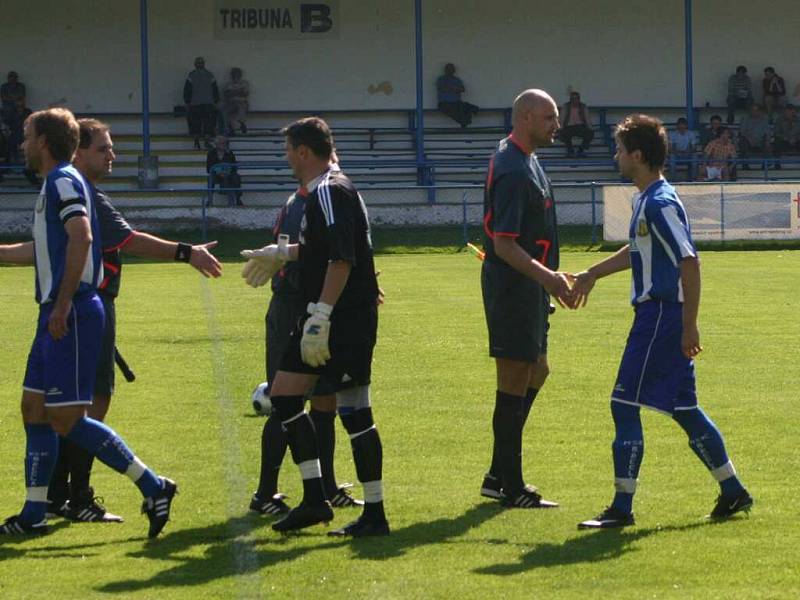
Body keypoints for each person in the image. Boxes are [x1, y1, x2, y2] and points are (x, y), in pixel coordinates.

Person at [570, 114, 753, 529]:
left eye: (619, 149)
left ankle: (621, 508)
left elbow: (690, 261)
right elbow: (637, 251)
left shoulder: (659, 202)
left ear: (637, 155)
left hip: (661, 317)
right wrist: (591, 273)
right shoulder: (646, 200)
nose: (616, 156)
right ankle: (733, 490)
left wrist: (690, 325)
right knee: (685, 408)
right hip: (661, 316)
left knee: (623, 403)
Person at [0, 108, 176, 537]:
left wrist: (62, 305)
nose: (23, 144)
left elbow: (82, 236)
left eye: (27, 136)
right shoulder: (55, 182)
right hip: (57, 310)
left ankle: (154, 486)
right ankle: (34, 514)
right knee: (34, 409)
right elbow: (46, 250)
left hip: (73, 309)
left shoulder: (62, 180)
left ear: (43, 141)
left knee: (66, 419)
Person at [40, 118, 222, 522]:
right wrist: (187, 253)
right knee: (90, 404)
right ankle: (78, 496)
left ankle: (56, 496)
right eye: (103, 148)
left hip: (82, 305)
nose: (112, 156)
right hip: (89, 305)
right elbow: (130, 240)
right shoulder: (85, 195)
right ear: (79, 151)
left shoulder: (75, 191)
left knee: (61, 405)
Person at [239, 117, 388, 536]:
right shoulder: (329, 189)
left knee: (354, 410)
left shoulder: (328, 191)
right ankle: (315, 499)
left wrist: (321, 315)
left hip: (342, 317)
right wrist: (284, 254)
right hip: (331, 312)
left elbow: (342, 258)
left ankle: (372, 513)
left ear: (304, 152)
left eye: (289, 150)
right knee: (285, 397)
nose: (287, 158)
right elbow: (327, 248)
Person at [249, 157, 365, 518]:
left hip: (315, 306)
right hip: (296, 307)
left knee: (325, 400)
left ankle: (326, 488)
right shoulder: (305, 203)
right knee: (287, 400)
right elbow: (317, 256)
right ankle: (265, 492)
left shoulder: (318, 197)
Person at [479, 89, 574, 510]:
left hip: (530, 287)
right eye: (551, 118)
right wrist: (549, 278)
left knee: (538, 370)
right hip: (514, 287)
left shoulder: (526, 159)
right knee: (514, 380)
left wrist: (546, 282)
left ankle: (500, 472)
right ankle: (509, 484)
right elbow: (504, 245)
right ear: (526, 118)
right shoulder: (514, 169)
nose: (558, 125)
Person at [184, 57, 220, 149]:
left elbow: (187, 90)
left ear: (195, 65)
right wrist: (216, 101)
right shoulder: (210, 75)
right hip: (208, 103)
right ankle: (207, 140)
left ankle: (196, 141)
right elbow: (215, 89)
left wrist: (187, 102)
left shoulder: (191, 75)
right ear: (204, 64)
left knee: (195, 122)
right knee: (208, 122)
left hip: (195, 104)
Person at [436, 63, 479, 128]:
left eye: (452, 69)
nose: (450, 70)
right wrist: (454, 88)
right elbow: (442, 88)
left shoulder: (457, 79)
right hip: (445, 103)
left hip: (457, 102)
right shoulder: (441, 79)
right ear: (445, 70)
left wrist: (452, 88)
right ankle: (464, 122)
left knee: (469, 107)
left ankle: (465, 121)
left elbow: (462, 89)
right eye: (448, 69)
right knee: (455, 110)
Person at [206, 135, 243, 206]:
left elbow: (234, 167)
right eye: (222, 143)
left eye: (225, 143)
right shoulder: (211, 153)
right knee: (210, 178)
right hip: (216, 174)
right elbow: (208, 168)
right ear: (217, 144)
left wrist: (227, 172)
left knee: (236, 177)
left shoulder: (230, 153)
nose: (224, 145)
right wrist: (218, 171)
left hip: (228, 174)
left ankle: (238, 199)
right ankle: (209, 200)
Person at [558, 91, 594, 157]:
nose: (575, 100)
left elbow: (587, 119)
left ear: (579, 99)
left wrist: (590, 128)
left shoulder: (583, 107)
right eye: (573, 98)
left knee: (590, 133)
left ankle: (581, 150)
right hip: (568, 127)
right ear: (570, 99)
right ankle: (570, 151)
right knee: (564, 133)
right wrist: (561, 128)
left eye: (576, 98)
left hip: (580, 126)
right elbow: (562, 119)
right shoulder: (566, 107)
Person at [738, 104, 771, 169]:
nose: (754, 112)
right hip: (748, 141)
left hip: (760, 141)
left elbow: (767, 132)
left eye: (756, 110)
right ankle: (745, 165)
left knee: (767, 143)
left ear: (760, 111)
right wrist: (749, 139)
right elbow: (742, 131)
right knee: (742, 141)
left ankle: (765, 165)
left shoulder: (764, 119)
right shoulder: (745, 119)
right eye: (752, 110)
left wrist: (767, 141)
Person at [223, 67, 250, 136]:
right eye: (234, 74)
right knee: (225, 110)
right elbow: (226, 94)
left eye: (237, 74)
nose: (236, 75)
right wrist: (238, 91)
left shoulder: (244, 83)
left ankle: (241, 124)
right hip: (231, 102)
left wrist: (233, 92)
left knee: (241, 107)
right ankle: (231, 128)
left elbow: (245, 93)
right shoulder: (228, 84)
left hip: (242, 102)